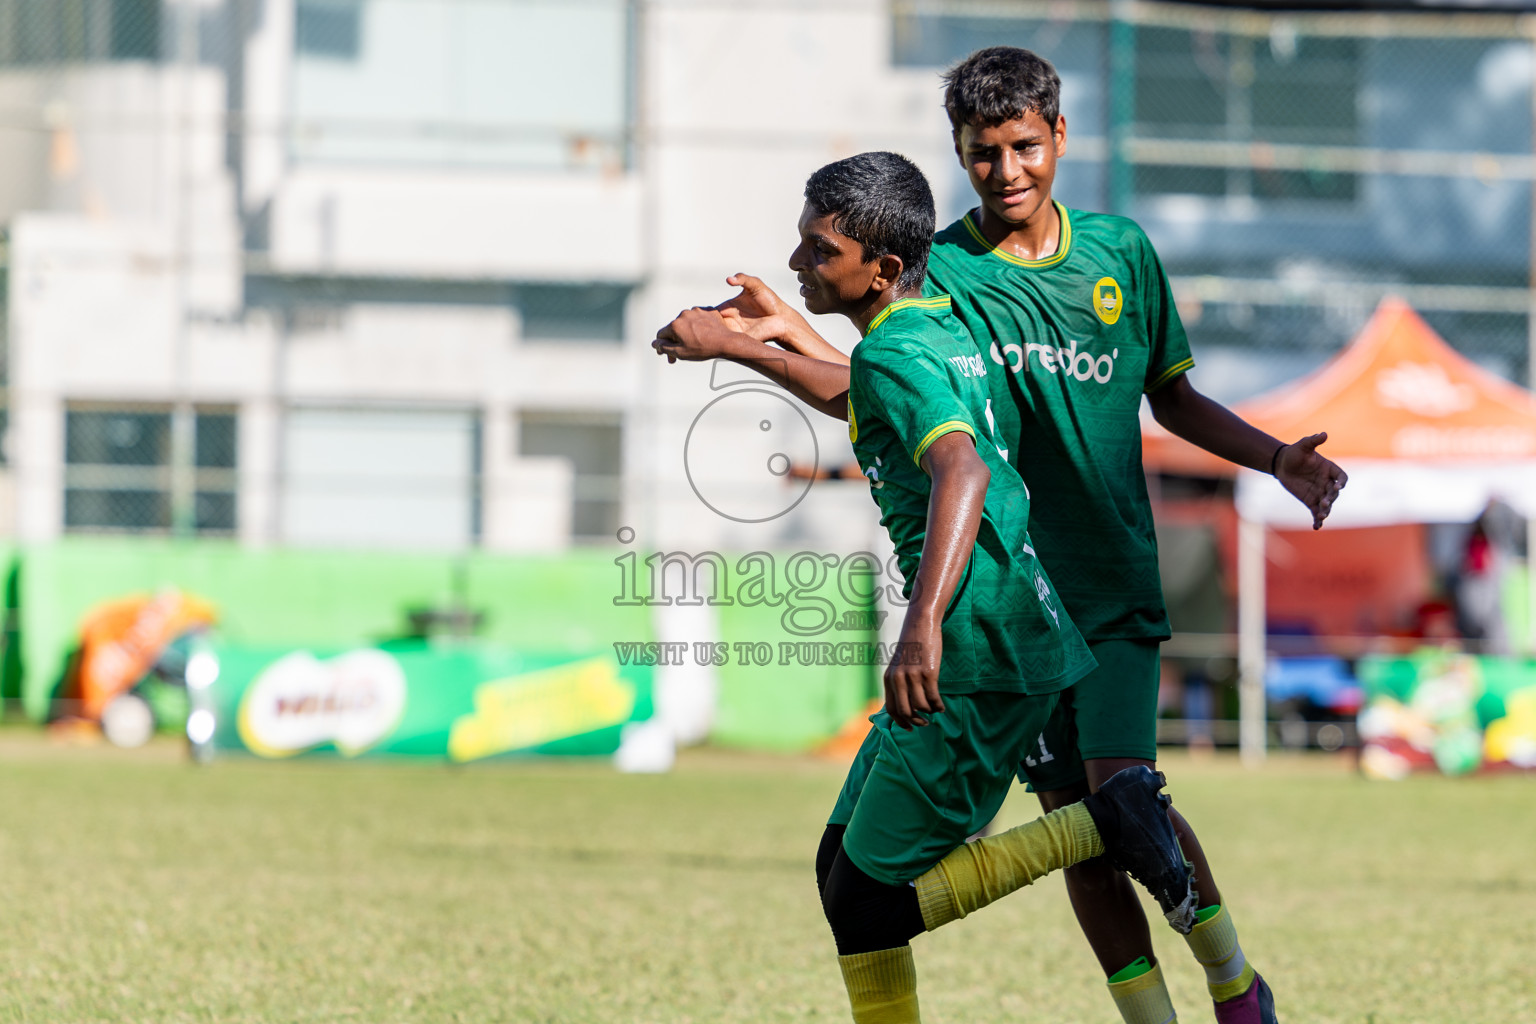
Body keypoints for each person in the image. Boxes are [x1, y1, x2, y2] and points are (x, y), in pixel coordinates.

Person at [656, 48, 1350, 1024]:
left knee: (1112, 798)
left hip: (1081, 590)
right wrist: (763, 339)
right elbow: (883, 385)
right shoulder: (944, 269)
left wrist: (1280, 459)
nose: (1007, 168)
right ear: (960, 154)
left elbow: (1171, 399)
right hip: (1005, 588)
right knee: (1070, 822)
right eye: (984, 152)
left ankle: (1235, 985)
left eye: (1025, 144)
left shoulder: (1120, 254)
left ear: (1059, 137)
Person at [655, 150, 1196, 1024]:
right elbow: (866, 390)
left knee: (867, 905)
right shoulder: (934, 323)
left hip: (975, 652)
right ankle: (1106, 818)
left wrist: (921, 629)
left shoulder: (897, 355)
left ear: (885, 268)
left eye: (819, 250)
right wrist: (757, 338)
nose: (799, 260)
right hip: (1008, 632)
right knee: (841, 874)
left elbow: (961, 469)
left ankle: (1106, 820)